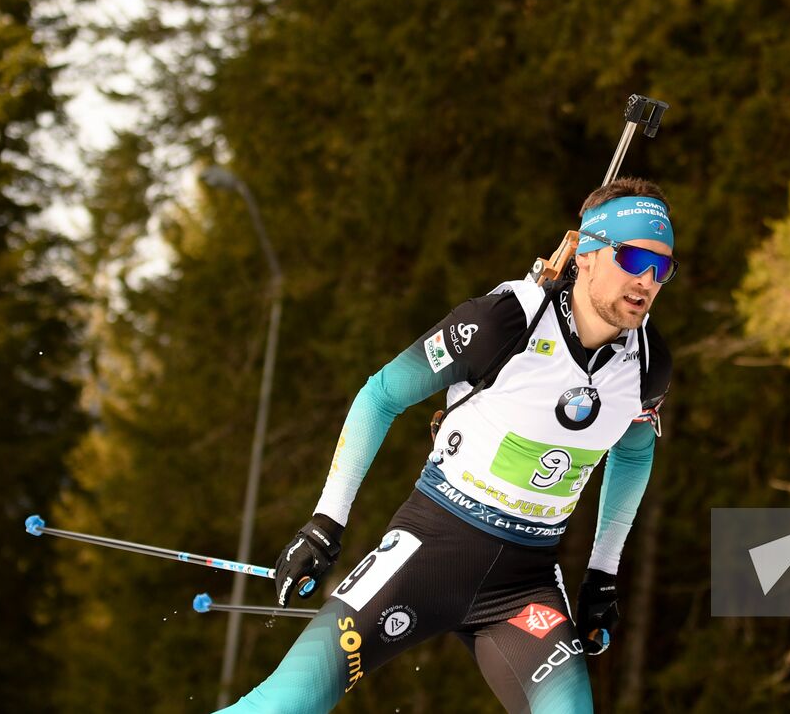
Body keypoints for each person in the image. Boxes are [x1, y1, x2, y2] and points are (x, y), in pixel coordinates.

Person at [216, 178, 676, 714]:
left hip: (524, 584)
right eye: (635, 257)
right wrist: (325, 525)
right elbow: (380, 395)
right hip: (430, 547)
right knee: (287, 703)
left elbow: (635, 451)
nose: (647, 280)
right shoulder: (502, 322)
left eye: (663, 267)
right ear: (589, 254)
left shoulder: (647, 365)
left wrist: (601, 575)